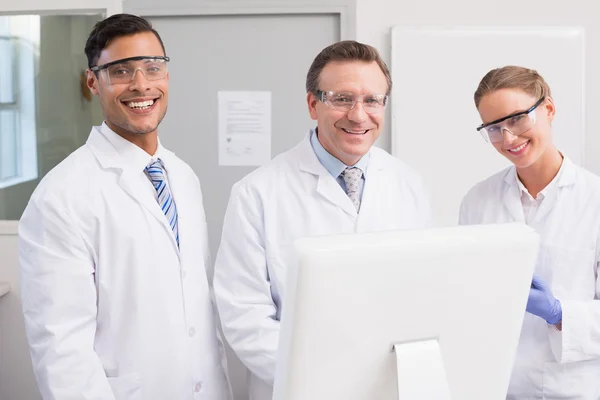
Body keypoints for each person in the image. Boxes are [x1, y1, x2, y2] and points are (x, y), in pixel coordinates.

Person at [19, 14, 231, 400]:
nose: (141, 84)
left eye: (153, 67)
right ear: (92, 82)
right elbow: (62, 354)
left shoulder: (182, 177)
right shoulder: (61, 197)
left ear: (166, 76)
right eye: (120, 71)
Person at [213, 40, 432, 400]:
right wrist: (320, 380)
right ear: (313, 104)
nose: (359, 115)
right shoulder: (257, 193)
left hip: (389, 386)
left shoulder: (409, 185)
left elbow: (422, 295)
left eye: (372, 100)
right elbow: (244, 316)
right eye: (342, 98)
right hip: (299, 388)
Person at [459, 66, 600, 399]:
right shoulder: (478, 200)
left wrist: (559, 312)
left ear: (548, 109)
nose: (508, 138)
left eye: (518, 118)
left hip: (571, 389)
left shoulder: (594, 201)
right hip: (494, 386)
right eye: (494, 128)